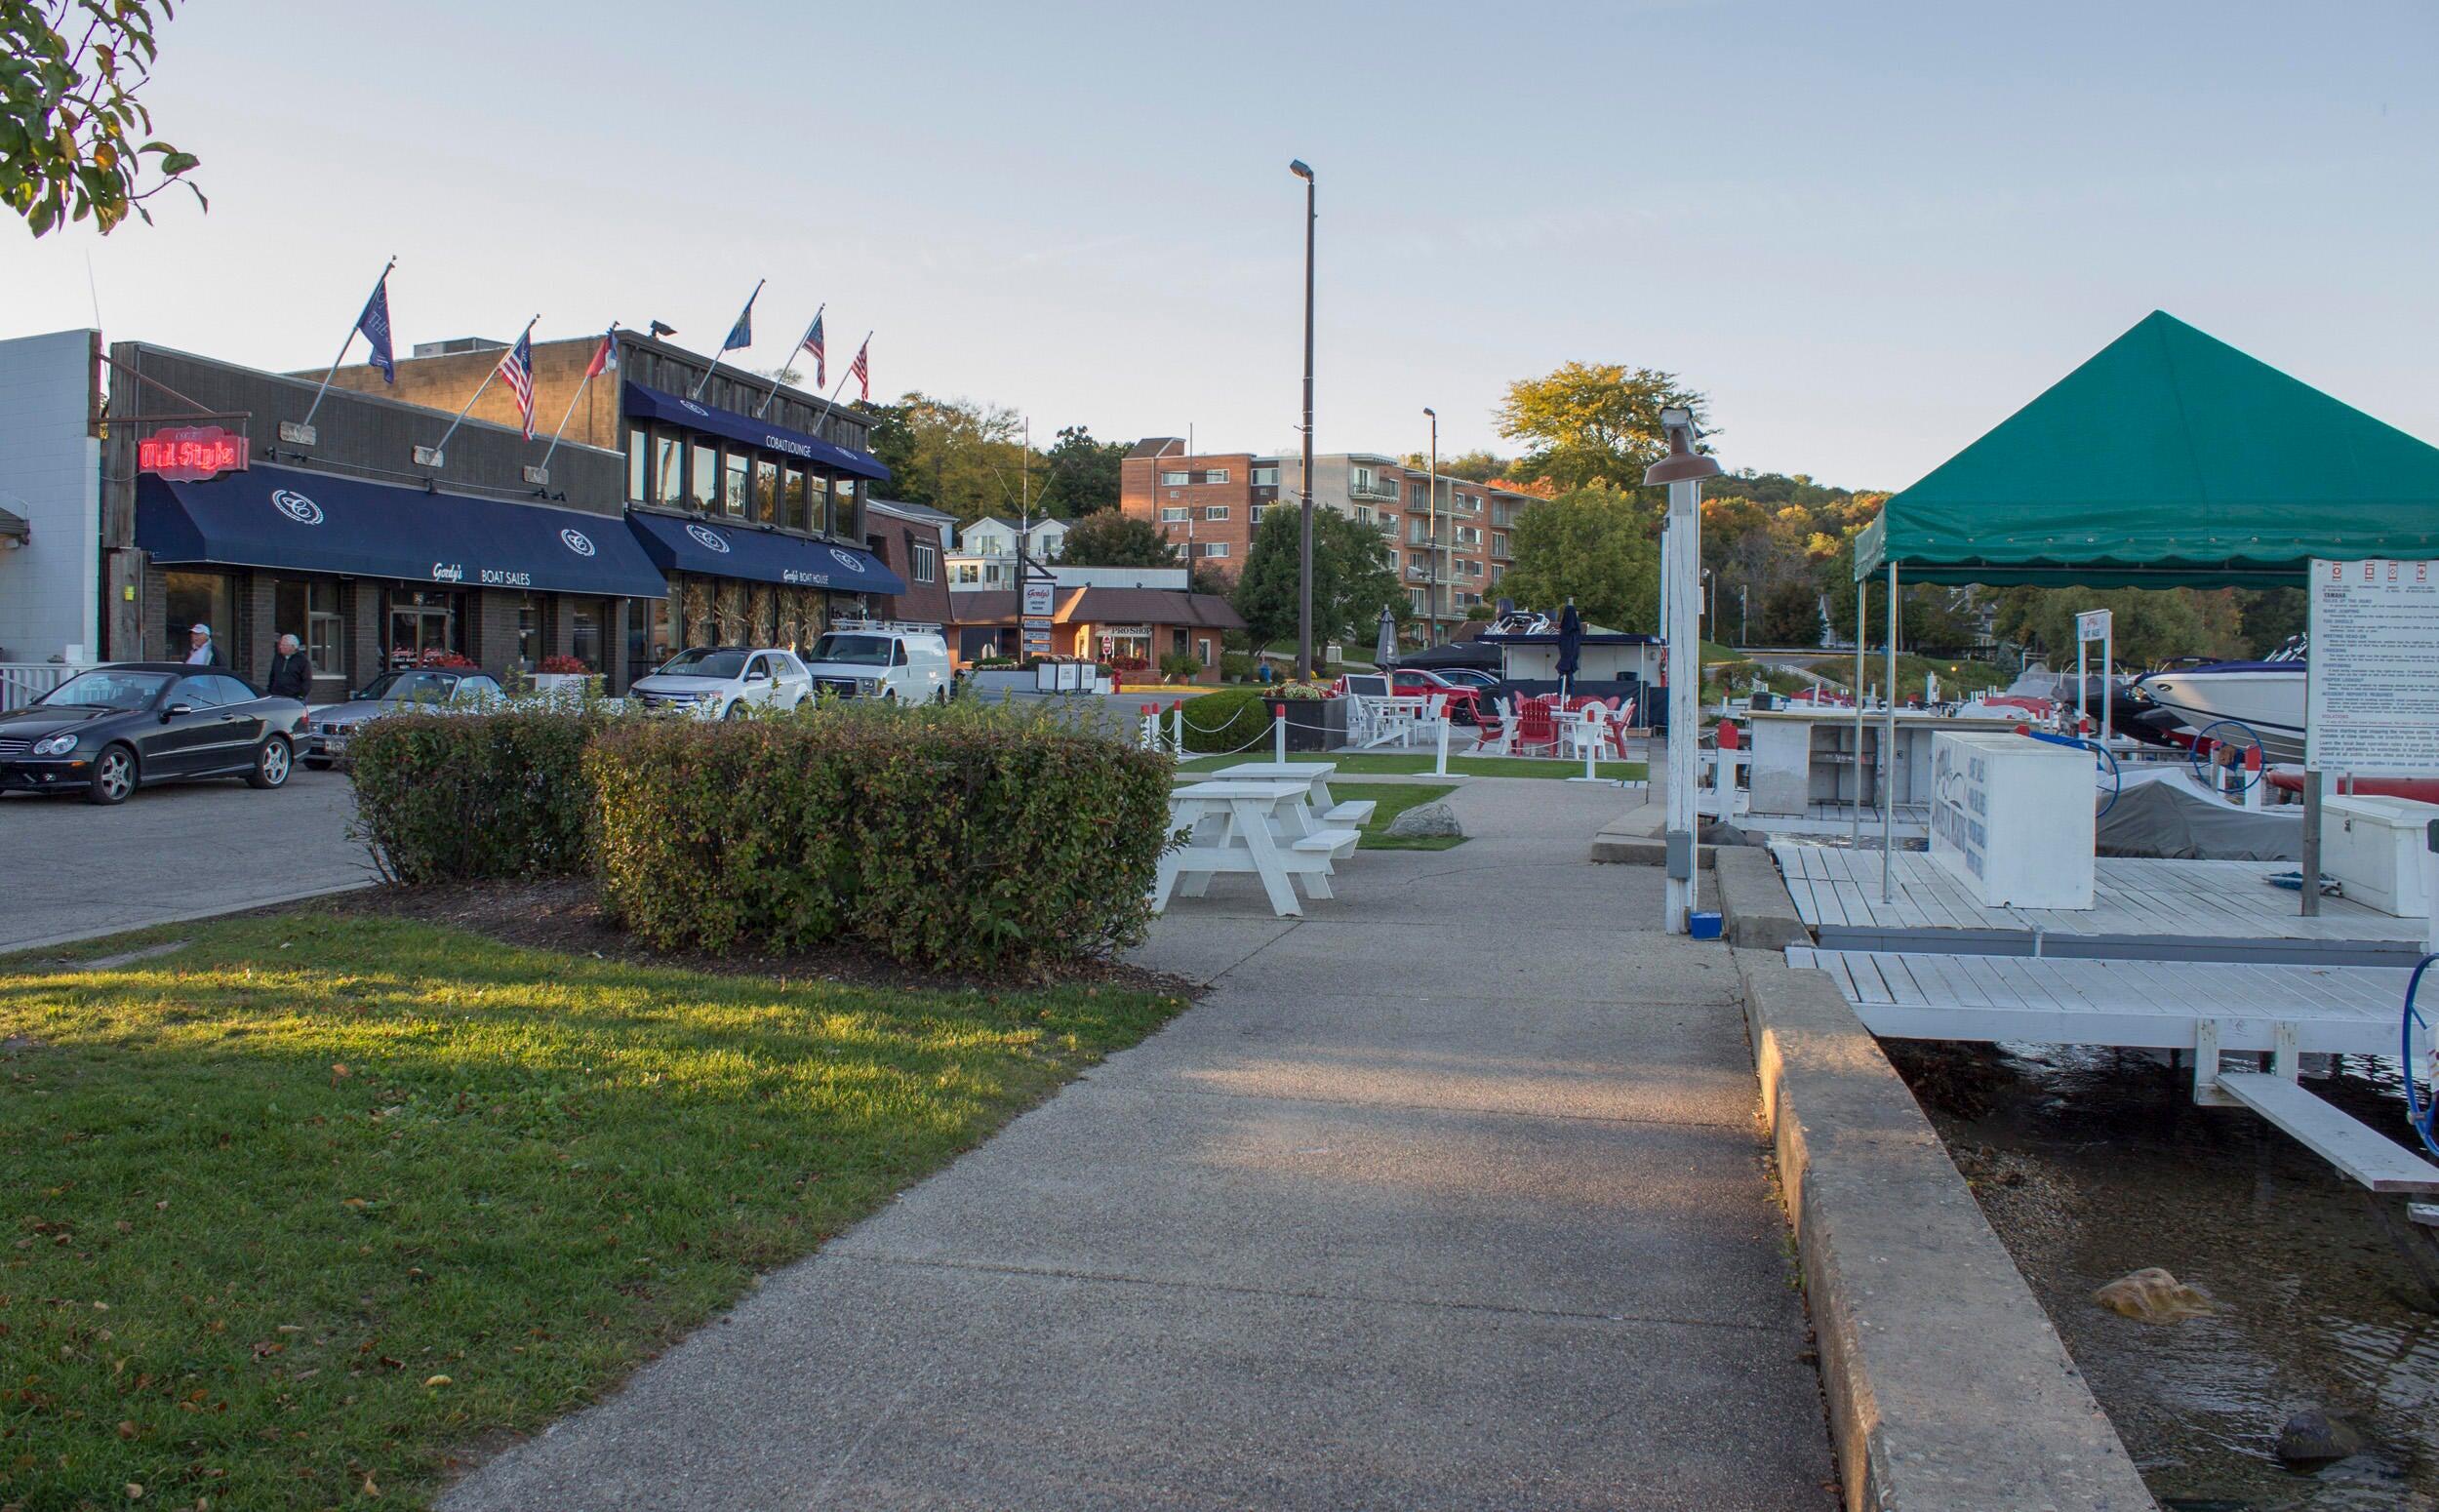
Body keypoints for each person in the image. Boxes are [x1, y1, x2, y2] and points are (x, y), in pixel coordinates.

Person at [265, 633, 313, 699]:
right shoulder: (277, 657)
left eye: (283, 645)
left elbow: (307, 681)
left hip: (294, 697)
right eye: (280, 644)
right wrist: (269, 692)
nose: (280, 647)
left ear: (293, 647)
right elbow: (272, 676)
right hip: (276, 695)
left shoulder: (302, 660)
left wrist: (301, 696)